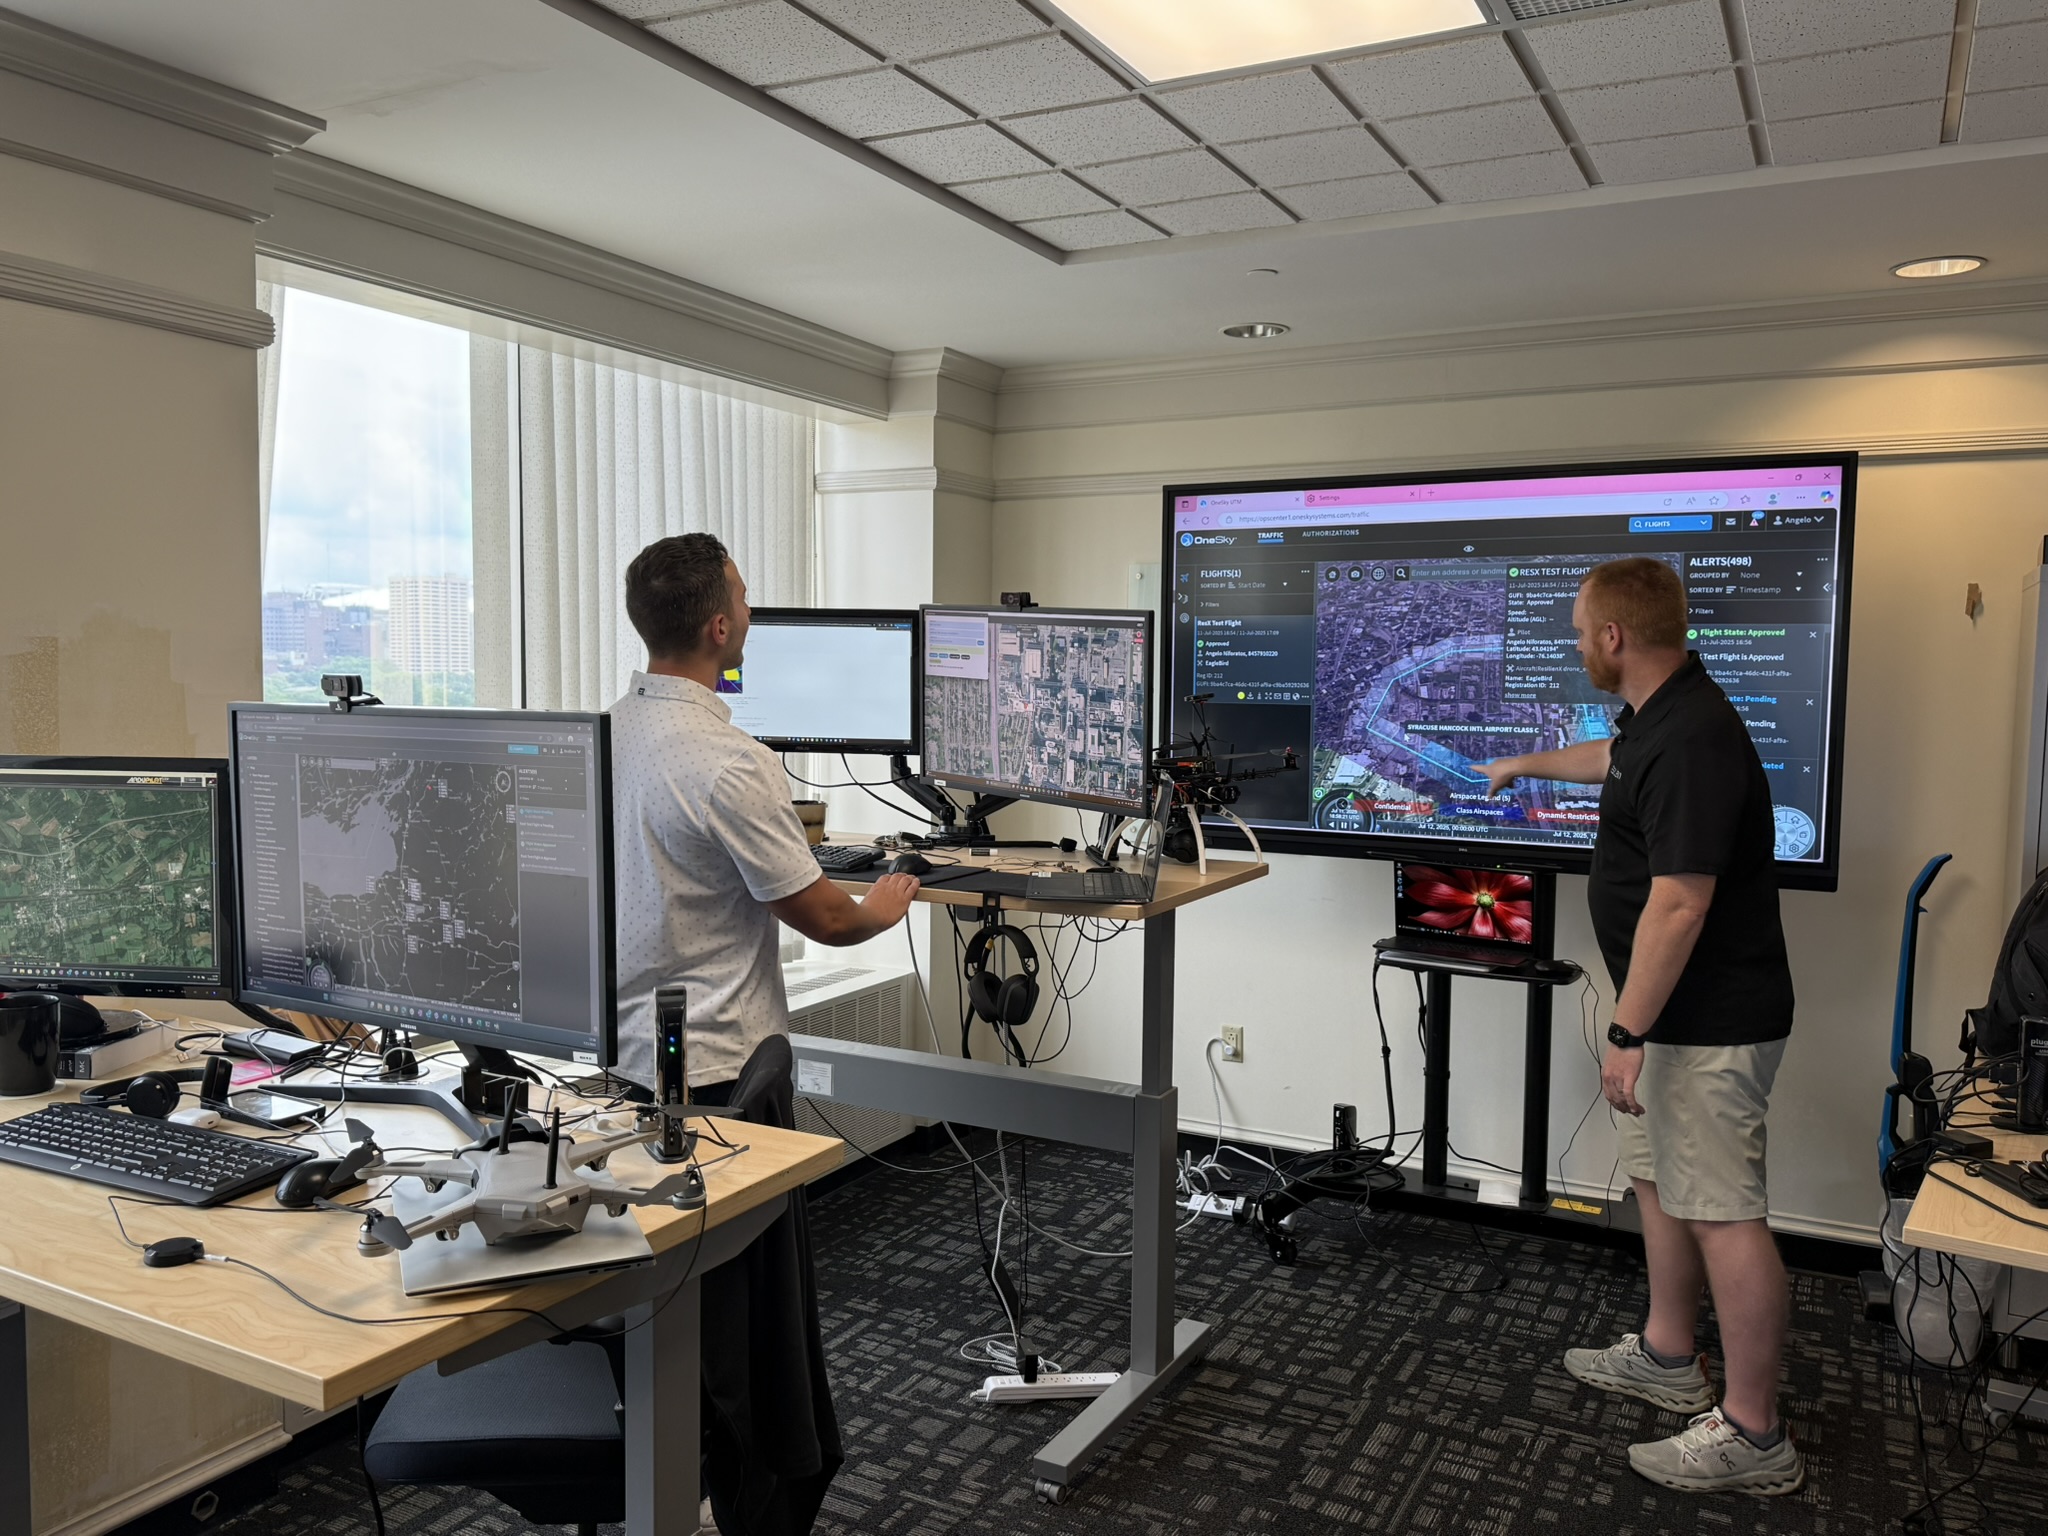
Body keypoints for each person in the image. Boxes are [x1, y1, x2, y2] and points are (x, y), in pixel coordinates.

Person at [1477, 556, 1801, 1496]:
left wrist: (1625, 1032)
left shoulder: (1693, 736)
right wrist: (1523, 763)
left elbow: (1679, 906)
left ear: (1614, 637)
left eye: (1581, 631)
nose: (1578, 644)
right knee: (1662, 1185)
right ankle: (1668, 1356)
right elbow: (1607, 762)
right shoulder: (1658, 721)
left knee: (1724, 1212)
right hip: (1669, 1022)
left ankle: (1755, 1432)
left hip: (1702, 1023)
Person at [610, 531, 919, 1101]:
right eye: (745, 599)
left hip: (626, 1057)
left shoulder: (603, 734)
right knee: (747, 1194)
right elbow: (829, 923)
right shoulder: (733, 763)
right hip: (719, 1067)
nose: (751, 612)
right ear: (720, 628)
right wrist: (878, 909)